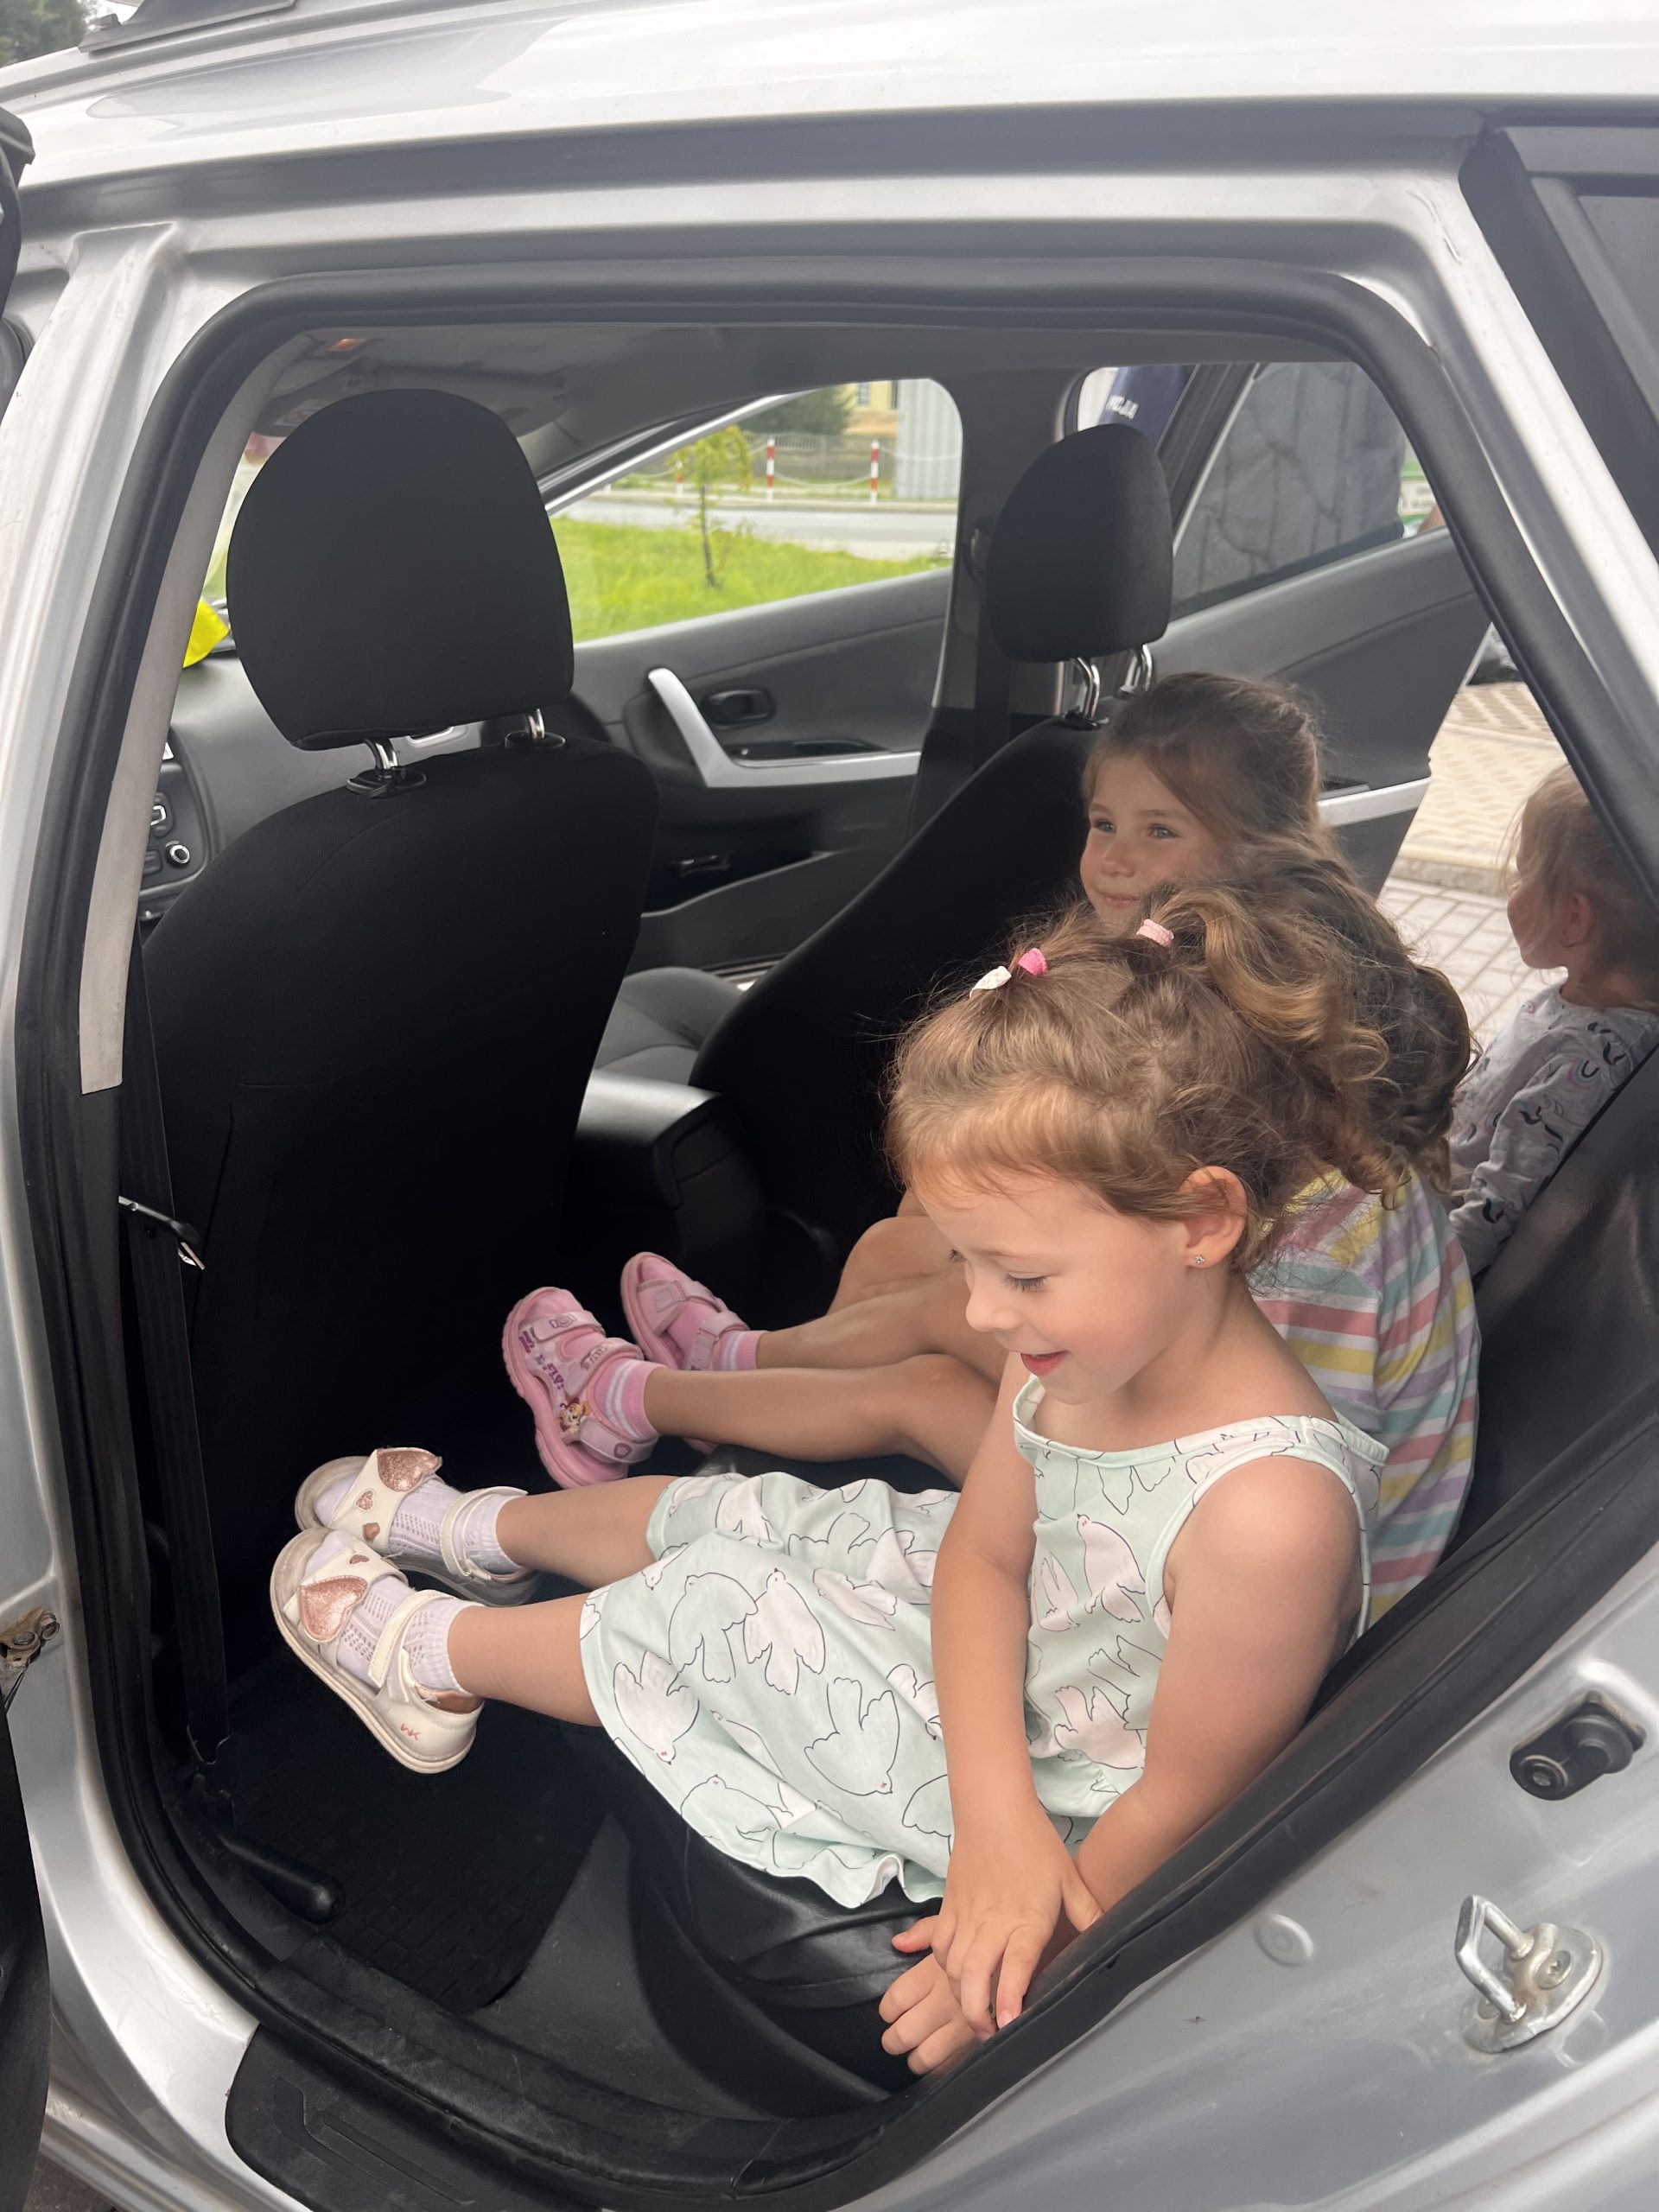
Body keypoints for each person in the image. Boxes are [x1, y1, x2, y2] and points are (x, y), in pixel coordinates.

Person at [272, 887, 1414, 2081]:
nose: (981, 1312)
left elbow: (1181, 1813)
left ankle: (433, 1664)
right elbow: (984, 1559)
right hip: (1014, 1708)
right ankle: (493, 1535)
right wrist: (994, 1812)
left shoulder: (1270, 1514)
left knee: (720, 1602)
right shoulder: (1080, 1355)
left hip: (1069, 1788)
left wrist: (1015, 1941)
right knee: (752, 1511)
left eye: (1020, 1274)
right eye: (967, 1264)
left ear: (1202, 1220)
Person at [499, 842, 1477, 1617]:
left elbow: (1262, 1474)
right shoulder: (1345, 1173)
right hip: (1204, 1508)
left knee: (923, 1386)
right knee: (907, 1278)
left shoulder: (1326, 1251)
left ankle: (653, 1393)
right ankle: (723, 1368)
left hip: (1249, 1599)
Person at [1450, 765, 1659, 1277]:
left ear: (1573, 918)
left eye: (1524, 875)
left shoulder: (1582, 1063)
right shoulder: (1577, 1005)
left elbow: (1491, 1216)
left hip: (1436, 1234)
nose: (1511, 889)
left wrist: (1399, 1278)